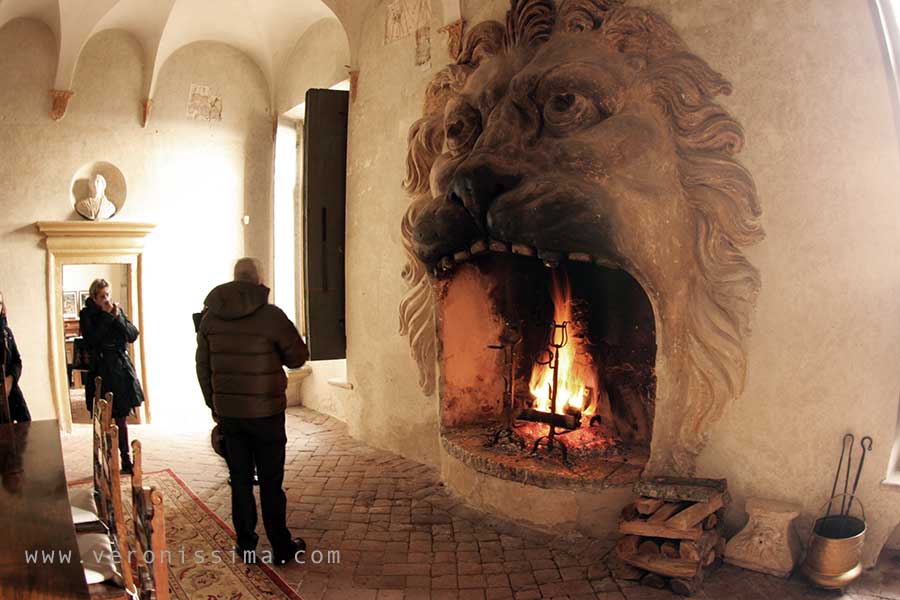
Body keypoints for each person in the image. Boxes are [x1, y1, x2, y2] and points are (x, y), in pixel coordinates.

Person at [196, 258, 308, 566]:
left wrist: (215, 405)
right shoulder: (271, 316)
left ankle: (245, 545)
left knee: (240, 480)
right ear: (258, 281)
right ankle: (281, 546)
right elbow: (298, 358)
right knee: (271, 482)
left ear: (234, 280)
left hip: (230, 415)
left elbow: (202, 368)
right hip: (267, 413)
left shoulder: (210, 319)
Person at [80, 278, 143, 474]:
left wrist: (118, 318)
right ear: (94, 298)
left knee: (122, 416)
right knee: (105, 418)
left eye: (108, 294)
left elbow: (133, 334)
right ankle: (107, 460)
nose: (106, 299)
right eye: (102, 296)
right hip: (101, 370)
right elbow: (91, 339)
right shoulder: (87, 314)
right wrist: (107, 317)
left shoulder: (115, 311)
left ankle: (125, 459)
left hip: (120, 368)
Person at [0, 291, 31, 423]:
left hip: (10, 390)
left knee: (25, 426)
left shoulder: (6, 332)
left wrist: (10, 379)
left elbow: (17, 361)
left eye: (0, 303)